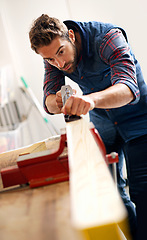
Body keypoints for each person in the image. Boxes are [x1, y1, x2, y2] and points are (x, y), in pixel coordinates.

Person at [29, 14, 147, 239]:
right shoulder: (52, 55)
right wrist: (60, 101)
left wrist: (91, 100)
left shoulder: (108, 37)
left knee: (143, 193)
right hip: (103, 122)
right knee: (112, 193)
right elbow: (48, 101)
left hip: (138, 119)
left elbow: (129, 88)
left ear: (70, 36)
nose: (59, 64)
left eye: (61, 53)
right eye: (50, 60)